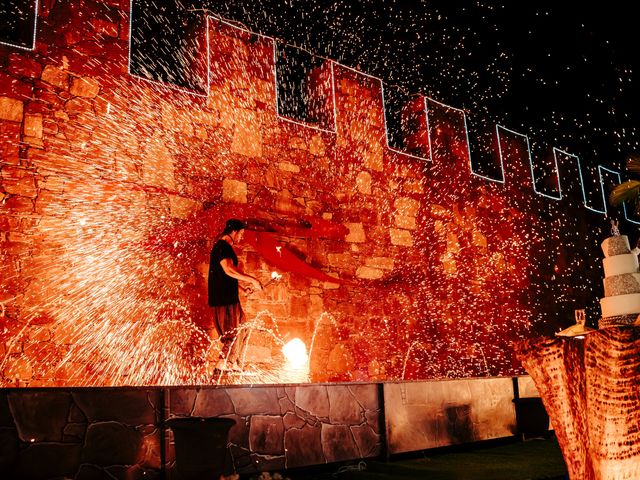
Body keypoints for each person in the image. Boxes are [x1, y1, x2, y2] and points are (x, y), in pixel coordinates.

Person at [208, 219, 262, 372]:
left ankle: (234, 362)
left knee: (243, 328)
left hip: (230, 297)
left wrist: (243, 289)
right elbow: (228, 270)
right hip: (224, 300)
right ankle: (222, 363)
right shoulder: (222, 246)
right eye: (241, 234)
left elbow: (226, 276)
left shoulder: (223, 247)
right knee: (231, 334)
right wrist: (253, 279)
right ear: (234, 232)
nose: (241, 237)